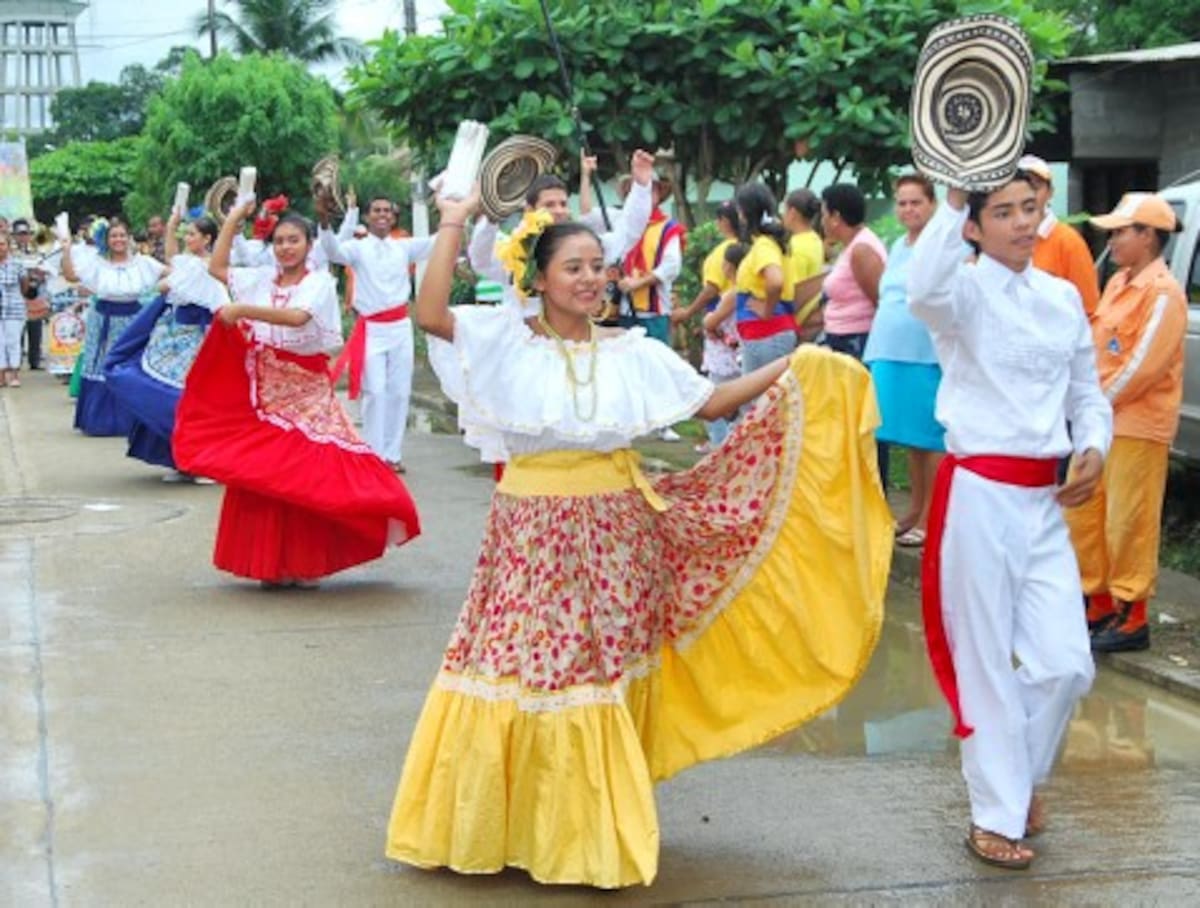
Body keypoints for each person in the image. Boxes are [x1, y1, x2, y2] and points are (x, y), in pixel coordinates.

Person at [385, 183, 892, 889]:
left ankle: (585, 833)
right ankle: (509, 826)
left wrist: (797, 366)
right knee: (527, 669)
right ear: (540, 278)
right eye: (574, 267)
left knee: (595, 678)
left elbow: (709, 401)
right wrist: (449, 222)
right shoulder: (504, 340)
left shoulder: (633, 353)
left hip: (618, 530)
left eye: (599, 265)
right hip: (529, 536)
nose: (592, 278)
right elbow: (431, 312)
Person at [908, 173, 1112, 871]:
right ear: (975, 225)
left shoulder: (1060, 299)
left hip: (1046, 503)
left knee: (1067, 666)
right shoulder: (959, 295)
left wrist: (1094, 445)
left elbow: (1088, 392)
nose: (1023, 223)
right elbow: (923, 289)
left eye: (1031, 208)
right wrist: (953, 194)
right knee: (987, 662)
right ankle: (997, 812)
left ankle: (1013, 780)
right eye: (1004, 212)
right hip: (979, 497)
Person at [171, 198, 420, 587]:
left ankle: (311, 558)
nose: (286, 247)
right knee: (264, 469)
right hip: (266, 384)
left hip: (305, 387)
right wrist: (235, 217)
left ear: (308, 245)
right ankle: (271, 562)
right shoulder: (261, 279)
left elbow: (298, 317)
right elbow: (218, 269)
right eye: (280, 241)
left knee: (309, 466)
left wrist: (243, 311)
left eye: (294, 240)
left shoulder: (319, 281)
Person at [1065, 193, 1187, 653]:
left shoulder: (1163, 294)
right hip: (1099, 423)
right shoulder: (1117, 282)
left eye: (1121, 232)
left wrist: (1092, 406)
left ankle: (1132, 615)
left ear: (1149, 237)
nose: (1112, 240)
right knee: (1086, 513)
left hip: (1136, 426)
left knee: (1127, 521)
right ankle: (1095, 602)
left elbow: (1143, 367)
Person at [104, 210, 228, 480]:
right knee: (157, 389)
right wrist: (172, 224)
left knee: (184, 399)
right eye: (187, 233)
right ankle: (178, 460)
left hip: (196, 341)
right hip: (171, 338)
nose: (187, 237)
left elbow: (216, 308)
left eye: (192, 233)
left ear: (207, 239)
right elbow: (173, 258)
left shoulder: (210, 268)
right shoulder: (185, 263)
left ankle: (202, 461)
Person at [318, 193, 434, 473]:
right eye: (376, 210)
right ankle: (373, 454)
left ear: (393, 217)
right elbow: (333, 252)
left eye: (387, 210)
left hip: (400, 327)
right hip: (371, 328)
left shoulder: (404, 247)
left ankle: (392, 455)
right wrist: (323, 220)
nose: (382, 215)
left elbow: (440, 242)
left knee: (399, 391)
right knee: (376, 391)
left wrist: (459, 210)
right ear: (368, 217)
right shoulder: (357, 249)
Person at [863, 174, 946, 545]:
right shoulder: (898, 244)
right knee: (909, 441)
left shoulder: (944, 244)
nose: (909, 209)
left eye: (916, 202)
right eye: (903, 202)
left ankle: (932, 517)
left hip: (925, 354)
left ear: (933, 204)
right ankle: (914, 509)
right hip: (889, 351)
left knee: (930, 439)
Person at [59, 217, 166, 435]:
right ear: (107, 240)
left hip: (133, 320)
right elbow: (71, 275)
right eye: (114, 236)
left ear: (129, 238)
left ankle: (134, 419)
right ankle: (99, 419)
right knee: (101, 363)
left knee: (131, 364)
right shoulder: (98, 263)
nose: (118, 240)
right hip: (103, 319)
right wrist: (66, 250)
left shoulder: (143, 262)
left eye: (122, 235)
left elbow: (171, 273)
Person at [1019, 155, 1101, 317]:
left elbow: (1089, 308)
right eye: (1022, 187)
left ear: (1050, 193)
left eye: (1035, 187)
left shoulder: (1069, 242)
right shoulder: (1001, 240)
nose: (1029, 194)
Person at [729, 182, 797, 373]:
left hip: (766, 334)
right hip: (764, 336)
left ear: (743, 213)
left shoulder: (764, 246)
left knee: (761, 402)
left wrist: (767, 310)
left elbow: (775, 281)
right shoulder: (768, 244)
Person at [616, 173, 685, 345]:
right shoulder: (621, 224)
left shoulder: (667, 227)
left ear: (658, 195)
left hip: (654, 311)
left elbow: (671, 266)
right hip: (624, 308)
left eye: (651, 190)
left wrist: (637, 284)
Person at [696, 242, 746, 451]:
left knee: (713, 402)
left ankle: (720, 445)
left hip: (724, 357)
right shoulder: (748, 291)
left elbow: (710, 323)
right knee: (738, 405)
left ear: (729, 266)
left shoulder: (732, 294)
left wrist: (708, 320)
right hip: (734, 353)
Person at [782, 189, 826, 342]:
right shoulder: (815, 239)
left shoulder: (796, 246)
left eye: (784, 210)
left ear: (793, 212)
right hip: (811, 317)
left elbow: (795, 291)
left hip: (798, 323)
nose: (783, 215)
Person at [12, 219, 49, 371]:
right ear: (14, 235)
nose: (23, 237)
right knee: (16, 330)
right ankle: (16, 360)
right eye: (20, 234)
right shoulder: (9, 253)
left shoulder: (38, 252)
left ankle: (34, 360)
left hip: (35, 294)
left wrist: (39, 276)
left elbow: (45, 270)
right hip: (16, 294)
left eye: (26, 233)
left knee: (35, 327)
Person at [0, 233, 30, 387]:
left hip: (14, 309)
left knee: (13, 341)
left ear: (7, 246)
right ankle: (1, 375)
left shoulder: (17, 265)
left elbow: (24, 286)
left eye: (2, 244)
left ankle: (14, 374)